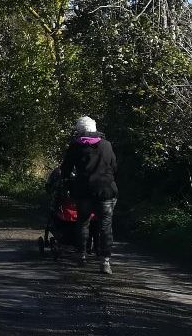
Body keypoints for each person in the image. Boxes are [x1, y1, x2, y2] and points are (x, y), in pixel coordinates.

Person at [59, 116, 118, 274]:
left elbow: (65, 169)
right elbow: (114, 166)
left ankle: (82, 256)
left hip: (83, 191)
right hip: (106, 190)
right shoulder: (106, 145)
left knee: (82, 222)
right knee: (105, 226)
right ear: (94, 128)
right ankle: (105, 262)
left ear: (79, 130)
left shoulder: (75, 146)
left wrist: (67, 182)